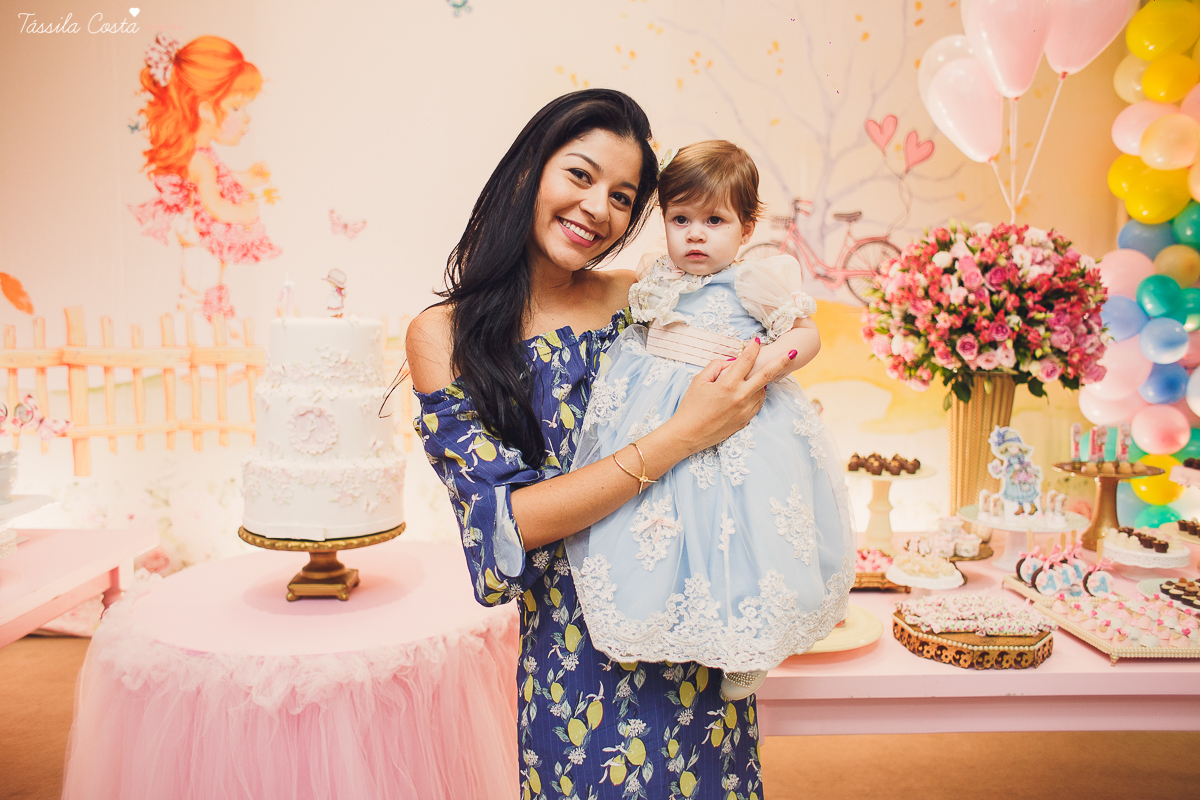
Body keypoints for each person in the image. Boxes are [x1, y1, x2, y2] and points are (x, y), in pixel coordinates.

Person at [408, 90, 795, 799]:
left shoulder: (642, 300)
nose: (597, 209)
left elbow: (750, 370)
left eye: (622, 197)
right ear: (529, 170)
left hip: (691, 623)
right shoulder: (445, 335)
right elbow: (509, 522)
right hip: (574, 655)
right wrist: (681, 435)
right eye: (580, 175)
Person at [566, 140, 854, 702]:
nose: (696, 234)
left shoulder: (754, 281)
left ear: (746, 228)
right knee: (656, 525)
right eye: (681, 219)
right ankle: (649, 619)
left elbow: (805, 334)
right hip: (657, 417)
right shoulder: (655, 277)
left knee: (738, 533)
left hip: (737, 420)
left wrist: (765, 363)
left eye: (714, 220)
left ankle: (747, 644)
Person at [131, 34, 280, 319]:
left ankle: (210, 336)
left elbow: (222, 179)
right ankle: (199, 342)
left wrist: (246, 177)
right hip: (200, 240)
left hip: (202, 241)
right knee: (199, 294)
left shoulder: (202, 155)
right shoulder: (199, 161)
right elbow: (214, 204)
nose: (246, 117)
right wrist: (243, 215)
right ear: (205, 110)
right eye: (236, 107)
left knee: (206, 291)